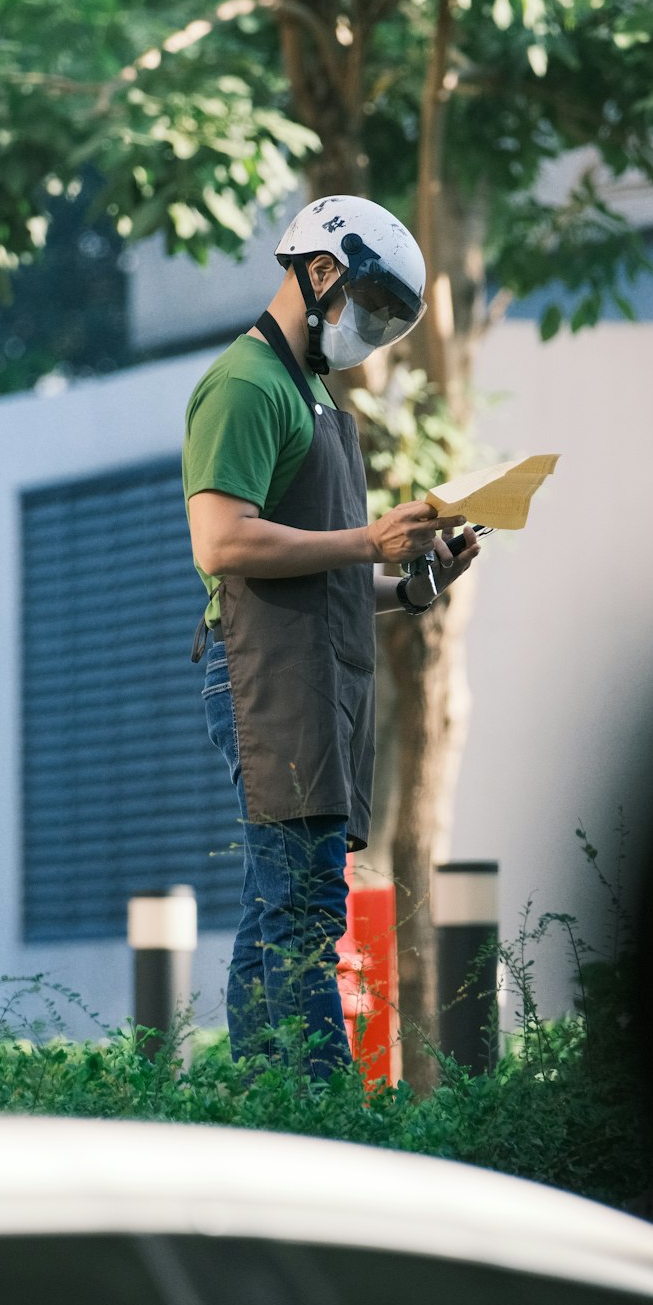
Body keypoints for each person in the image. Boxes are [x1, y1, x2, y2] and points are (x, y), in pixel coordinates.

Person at [182, 195, 480, 1077]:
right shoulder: (245, 385)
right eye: (370, 307)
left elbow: (328, 574)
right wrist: (368, 541)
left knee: (277, 909)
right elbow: (223, 541)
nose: (373, 332)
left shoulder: (307, 390)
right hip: (267, 680)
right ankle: (324, 1118)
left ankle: (259, 1112)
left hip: (319, 678)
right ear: (320, 274)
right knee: (309, 910)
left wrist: (417, 583)